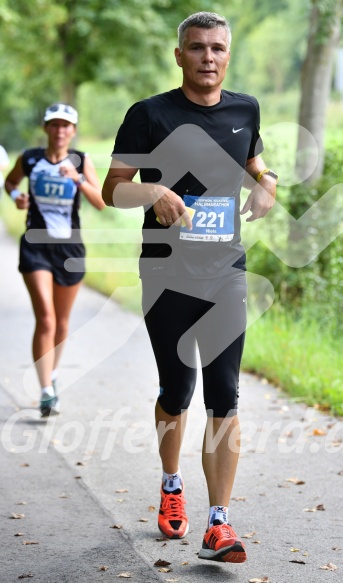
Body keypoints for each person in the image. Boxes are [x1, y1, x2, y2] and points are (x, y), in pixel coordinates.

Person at [102, 12, 277, 563]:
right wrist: (151, 192)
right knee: (177, 392)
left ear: (228, 55)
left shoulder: (245, 108)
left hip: (226, 273)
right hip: (165, 274)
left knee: (225, 394)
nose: (208, 57)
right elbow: (113, 190)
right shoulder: (149, 115)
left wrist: (267, 183)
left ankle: (219, 524)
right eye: (197, 47)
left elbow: (255, 163)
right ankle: (171, 483)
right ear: (178, 55)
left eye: (218, 48)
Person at [5, 103, 105, 417]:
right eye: (54, 124)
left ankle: (53, 372)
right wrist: (15, 197)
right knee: (46, 318)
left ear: (73, 131)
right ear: (46, 128)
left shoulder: (80, 161)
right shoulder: (30, 158)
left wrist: (77, 179)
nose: (60, 131)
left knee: (62, 323)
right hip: (35, 245)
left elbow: (101, 201)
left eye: (66, 126)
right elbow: (9, 182)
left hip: (69, 250)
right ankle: (46, 390)